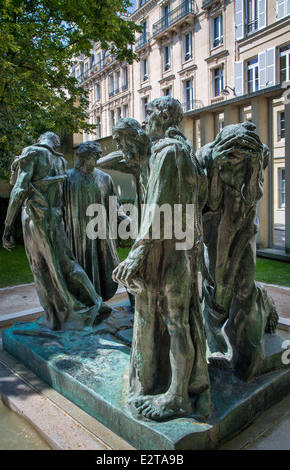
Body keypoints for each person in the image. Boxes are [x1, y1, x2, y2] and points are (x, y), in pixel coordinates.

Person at [113, 97, 211, 421]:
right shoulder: (186, 152)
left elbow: (157, 210)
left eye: (150, 114)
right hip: (182, 250)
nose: (146, 120)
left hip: (166, 251)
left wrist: (135, 256)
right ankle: (180, 390)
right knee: (178, 322)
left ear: (163, 116)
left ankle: (177, 397)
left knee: (175, 322)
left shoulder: (168, 152)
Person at [3, 132, 111, 331]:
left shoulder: (32, 153)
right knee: (68, 264)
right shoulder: (60, 160)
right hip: (55, 218)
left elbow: (19, 190)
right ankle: (95, 301)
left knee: (40, 267)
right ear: (56, 143)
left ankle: (51, 317)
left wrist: (8, 225)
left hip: (35, 217)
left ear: (39, 139)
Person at [197, 122, 279, 380]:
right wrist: (214, 167)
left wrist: (254, 165)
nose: (237, 161)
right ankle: (216, 345)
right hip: (215, 227)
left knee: (244, 284)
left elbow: (253, 195)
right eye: (234, 157)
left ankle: (246, 351)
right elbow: (206, 202)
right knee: (216, 286)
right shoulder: (206, 155)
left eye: (242, 157)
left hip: (243, 223)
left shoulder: (259, 153)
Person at [65, 140, 128, 302]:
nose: (100, 156)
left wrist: (129, 221)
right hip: (77, 234)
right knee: (80, 268)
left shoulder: (105, 179)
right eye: (96, 153)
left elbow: (114, 206)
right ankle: (85, 303)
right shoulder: (67, 178)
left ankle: (99, 302)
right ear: (85, 155)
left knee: (107, 266)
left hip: (101, 232)